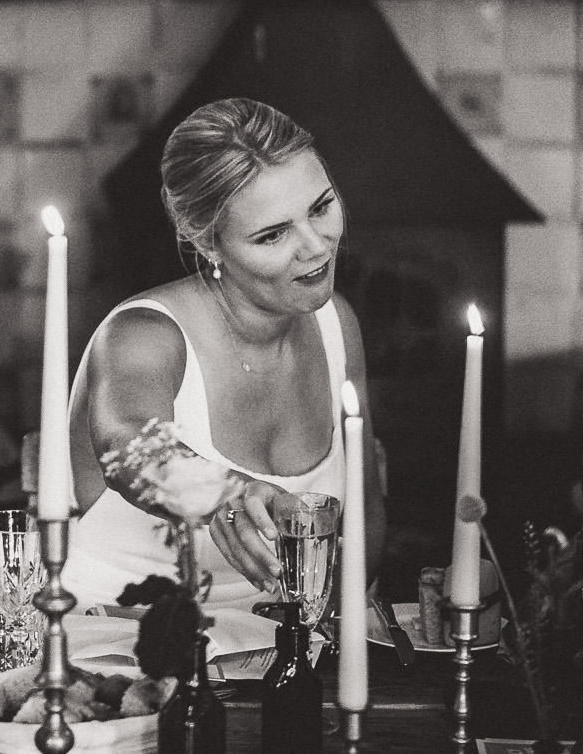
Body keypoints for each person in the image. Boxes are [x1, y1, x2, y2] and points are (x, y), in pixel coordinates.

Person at [64, 98, 382, 612]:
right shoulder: (141, 333)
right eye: (272, 234)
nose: (316, 247)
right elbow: (127, 443)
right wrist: (220, 493)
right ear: (207, 242)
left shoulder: (336, 323)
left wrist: (341, 628)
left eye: (321, 207)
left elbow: (366, 507)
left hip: (288, 652)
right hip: (121, 645)